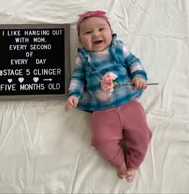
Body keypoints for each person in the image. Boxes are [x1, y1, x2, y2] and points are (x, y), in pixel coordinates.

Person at [65, 10, 152, 182]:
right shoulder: (83, 57)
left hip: (128, 102)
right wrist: (74, 94)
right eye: (88, 32)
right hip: (102, 110)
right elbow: (77, 77)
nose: (95, 34)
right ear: (81, 40)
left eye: (101, 29)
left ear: (110, 32)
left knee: (142, 134)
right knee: (101, 141)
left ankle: (134, 164)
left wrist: (138, 76)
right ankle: (120, 163)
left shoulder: (118, 47)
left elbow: (133, 62)